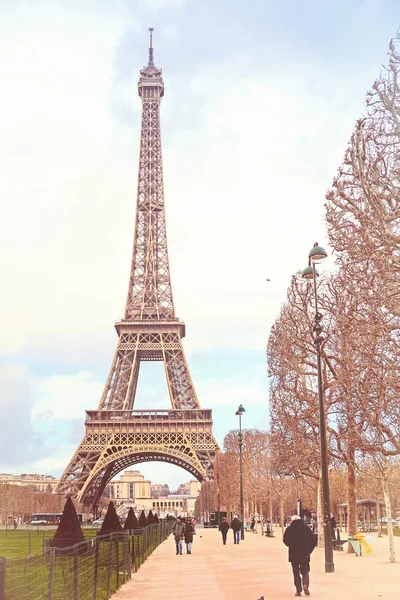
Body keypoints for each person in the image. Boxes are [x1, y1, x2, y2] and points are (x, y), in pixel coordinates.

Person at [283, 515, 316, 597]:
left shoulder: (289, 529)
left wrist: (291, 544)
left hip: (294, 554)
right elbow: (313, 541)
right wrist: (309, 551)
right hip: (305, 553)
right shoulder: (307, 528)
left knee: (295, 572)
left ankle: (298, 590)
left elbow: (285, 541)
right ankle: (305, 583)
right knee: (305, 570)